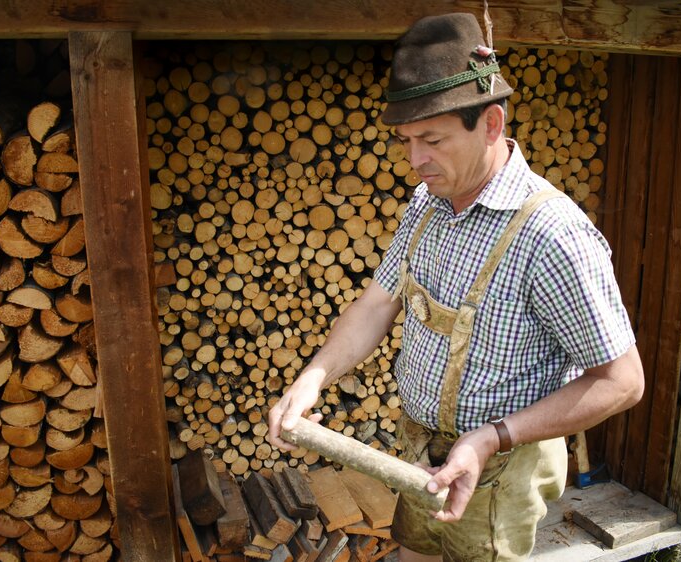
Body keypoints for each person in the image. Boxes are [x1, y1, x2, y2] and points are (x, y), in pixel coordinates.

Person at [267, 12, 644, 562]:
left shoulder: (553, 235)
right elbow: (378, 300)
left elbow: (622, 381)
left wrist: (492, 435)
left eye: (432, 139)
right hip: (418, 453)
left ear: (491, 124)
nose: (415, 160)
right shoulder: (427, 204)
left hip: (499, 469)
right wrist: (313, 377)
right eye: (406, 140)